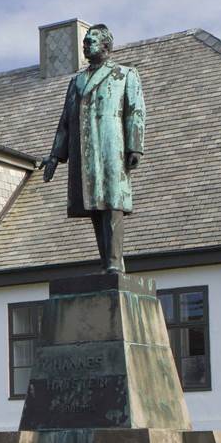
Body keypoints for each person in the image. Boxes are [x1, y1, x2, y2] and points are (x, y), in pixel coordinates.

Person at [41, 23, 146, 272]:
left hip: (111, 146)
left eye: (91, 41)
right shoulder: (77, 81)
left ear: (106, 46)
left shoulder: (124, 74)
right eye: (85, 41)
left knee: (112, 202)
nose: (85, 45)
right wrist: (55, 156)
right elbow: (65, 121)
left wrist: (135, 147)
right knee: (94, 206)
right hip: (84, 151)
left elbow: (135, 111)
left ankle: (113, 262)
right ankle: (109, 261)